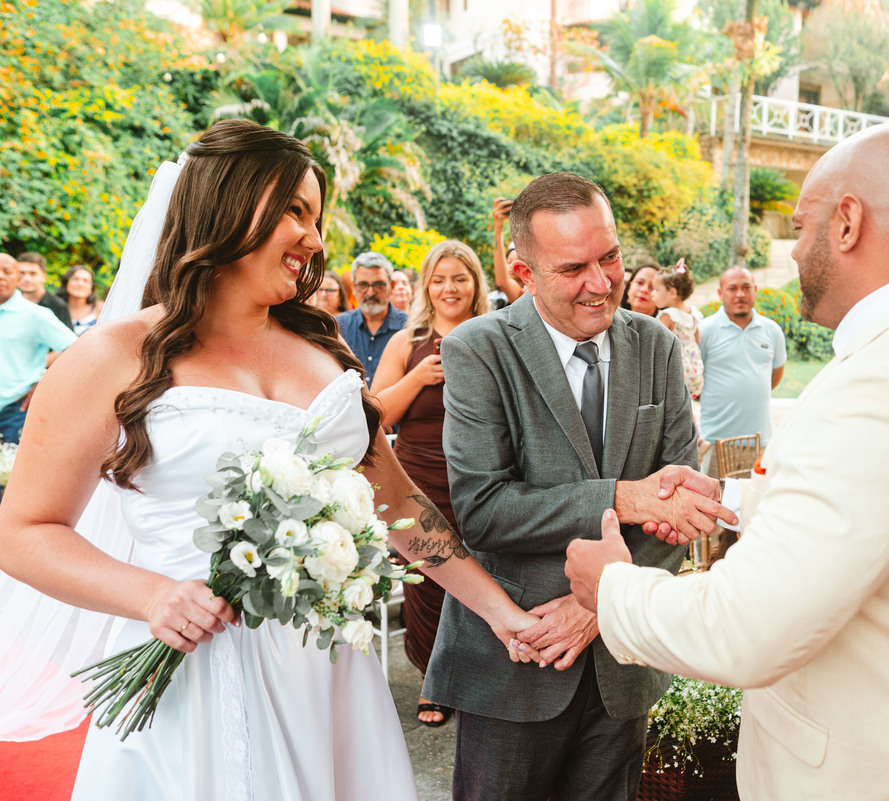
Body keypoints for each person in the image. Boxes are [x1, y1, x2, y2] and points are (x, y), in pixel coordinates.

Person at [0, 120, 547, 799]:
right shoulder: (111, 358)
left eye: (316, 219)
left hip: (324, 674)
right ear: (225, 204)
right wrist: (152, 595)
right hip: (193, 674)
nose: (314, 240)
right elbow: (22, 531)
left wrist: (502, 614)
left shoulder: (326, 356)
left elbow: (399, 505)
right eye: (294, 210)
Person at [564, 124, 889, 801]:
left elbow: (747, 628)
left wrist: (612, 588)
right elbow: (885, 510)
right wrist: (725, 496)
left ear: (847, 222)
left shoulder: (888, 387)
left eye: (800, 226)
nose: (792, 250)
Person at [423, 171, 735, 801]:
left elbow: (683, 506)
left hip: (622, 664)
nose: (601, 282)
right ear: (524, 273)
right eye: (573, 268)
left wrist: (602, 604)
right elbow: (482, 510)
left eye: (610, 257)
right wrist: (623, 497)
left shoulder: (657, 347)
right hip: (518, 657)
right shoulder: (478, 350)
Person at [371, 239, 491, 728]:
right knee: (428, 583)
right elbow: (376, 415)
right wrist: (418, 377)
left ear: (475, 283)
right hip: (417, 481)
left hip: (480, 480)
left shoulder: (493, 334)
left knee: (483, 579)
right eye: (439, 279)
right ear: (426, 286)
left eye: (459, 278)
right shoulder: (407, 341)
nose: (449, 288)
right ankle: (433, 681)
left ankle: (480, 680)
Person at [697, 266, 787, 476]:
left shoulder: (772, 330)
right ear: (720, 293)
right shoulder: (704, 330)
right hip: (716, 442)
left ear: (755, 290)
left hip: (759, 441)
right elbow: (693, 380)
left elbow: (775, 375)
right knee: (715, 496)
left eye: (746, 287)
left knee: (756, 494)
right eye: (732, 288)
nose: (740, 294)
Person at [0, 253, 77, 448]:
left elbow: (75, 350)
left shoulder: (36, 315)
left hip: (15, 409)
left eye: (7, 272)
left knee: (9, 466)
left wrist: (44, 382)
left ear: (17, 278)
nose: (1, 276)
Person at [334, 252, 408, 385]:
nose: (370, 293)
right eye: (363, 285)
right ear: (353, 287)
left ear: (392, 286)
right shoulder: (338, 327)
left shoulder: (410, 327)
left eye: (378, 285)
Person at [651, 259, 704, 397]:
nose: (652, 294)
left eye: (656, 290)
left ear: (672, 293)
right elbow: (697, 339)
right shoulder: (693, 313)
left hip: (676, 365)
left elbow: (657, 342)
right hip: (693, 364)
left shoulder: (668, 316)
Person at [16, 252, 73, 330]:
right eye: (21, 273)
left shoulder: (58, 306)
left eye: (33, 273)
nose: (26, 279)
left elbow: (68, 337)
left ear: (43, 276)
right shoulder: (11, 304)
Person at [491, 196, 524, 304]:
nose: (511, 266)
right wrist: (498, 229)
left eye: (517, 262)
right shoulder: (492, 297)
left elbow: (503, 282)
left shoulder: (527, 295)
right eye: (509, 261)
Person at [56, 265, 105, 335]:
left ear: (91, 286)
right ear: (66, 282)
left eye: (85, 281)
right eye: (76, 279)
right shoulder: (55, 307)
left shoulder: (100, 308)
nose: (80, 284)